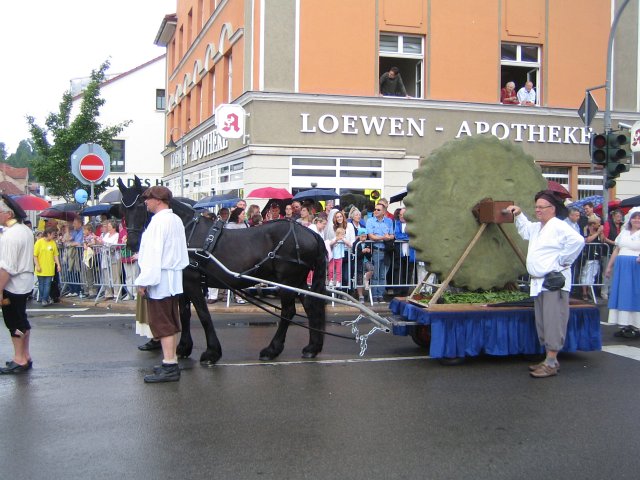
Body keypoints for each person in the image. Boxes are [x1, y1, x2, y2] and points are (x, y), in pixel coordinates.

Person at [507, 190, 585, 378]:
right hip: (540, 283)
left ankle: (551, 362)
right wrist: (518, 214)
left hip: (552, 282)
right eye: (536, 207)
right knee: (543, 321)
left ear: (552, 208)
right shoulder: (538, 228)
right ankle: (549, 359)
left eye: (542, 207)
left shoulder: (558, 226)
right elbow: (525, 229)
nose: (538, 210)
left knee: (553, 321)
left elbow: (578, 241)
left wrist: (562, 261)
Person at [135, 186, 189, 383]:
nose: (146, 202)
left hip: (160, 278)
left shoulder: (158, 222)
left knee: (163, 323)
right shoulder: (174, 219)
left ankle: (170, 365)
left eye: (148, 199)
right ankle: (170, 361)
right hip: (172, 276)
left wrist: (144, 281)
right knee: (171, 320)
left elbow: (153, 253)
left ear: (158, 200)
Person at [0, 195, 35, 374]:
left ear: (8, 214)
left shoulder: (11, 235)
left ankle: (19, 358)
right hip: (24, 281)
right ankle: (25, 356)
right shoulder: (24, 230)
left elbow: (7, 268)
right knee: (21, 319)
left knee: (14, 322)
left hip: (13, 284)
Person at [605, 208, 640, 338]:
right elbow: (616, 249)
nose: (637, 220)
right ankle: (624, 325)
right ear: (630, 219)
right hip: (622, 267)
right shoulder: (624, 233)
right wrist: (609, 267)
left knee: (635, 294)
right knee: (623, 293)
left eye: (639, 218)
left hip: (636, 267)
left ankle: (636, 325)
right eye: (634, 217)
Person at [366, 202, 395, 303]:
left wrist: (386, 237)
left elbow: (392, 235)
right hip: (376, 251)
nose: (375, 211)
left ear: (383, 212)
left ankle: (381, 295)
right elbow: (371, 236)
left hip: (386, 251)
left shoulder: (389, 221)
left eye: (378, 210)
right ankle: (374, 295)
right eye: (375, 209)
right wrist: (384, 237)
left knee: (383, 275)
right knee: (375, 275)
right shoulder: (370, 221)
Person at [33, 227, 61, 307]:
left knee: (47, 284)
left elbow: (55, 255)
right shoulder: (39, 242)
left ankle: (44, 299)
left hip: (49, 267)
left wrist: (58, 265)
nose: (53, 236)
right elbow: (35, 255)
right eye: (53, 235)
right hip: (40, 267)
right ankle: (44, 298)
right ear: (48, 234)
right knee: (41, 284)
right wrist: (37, 265)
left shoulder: (53, 243)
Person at [580, 215, 605, 301]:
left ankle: (590, 290)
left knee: (593, 274)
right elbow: (587, 240)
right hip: (588, 255)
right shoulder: (586, 229)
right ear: (593, 224)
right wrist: (597, 233)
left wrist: (601, 233)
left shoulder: (599, 231)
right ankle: (584, 292)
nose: (599, 225)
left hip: (596, 256)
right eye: (598, 223)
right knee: (586, 273)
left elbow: (602, 241)